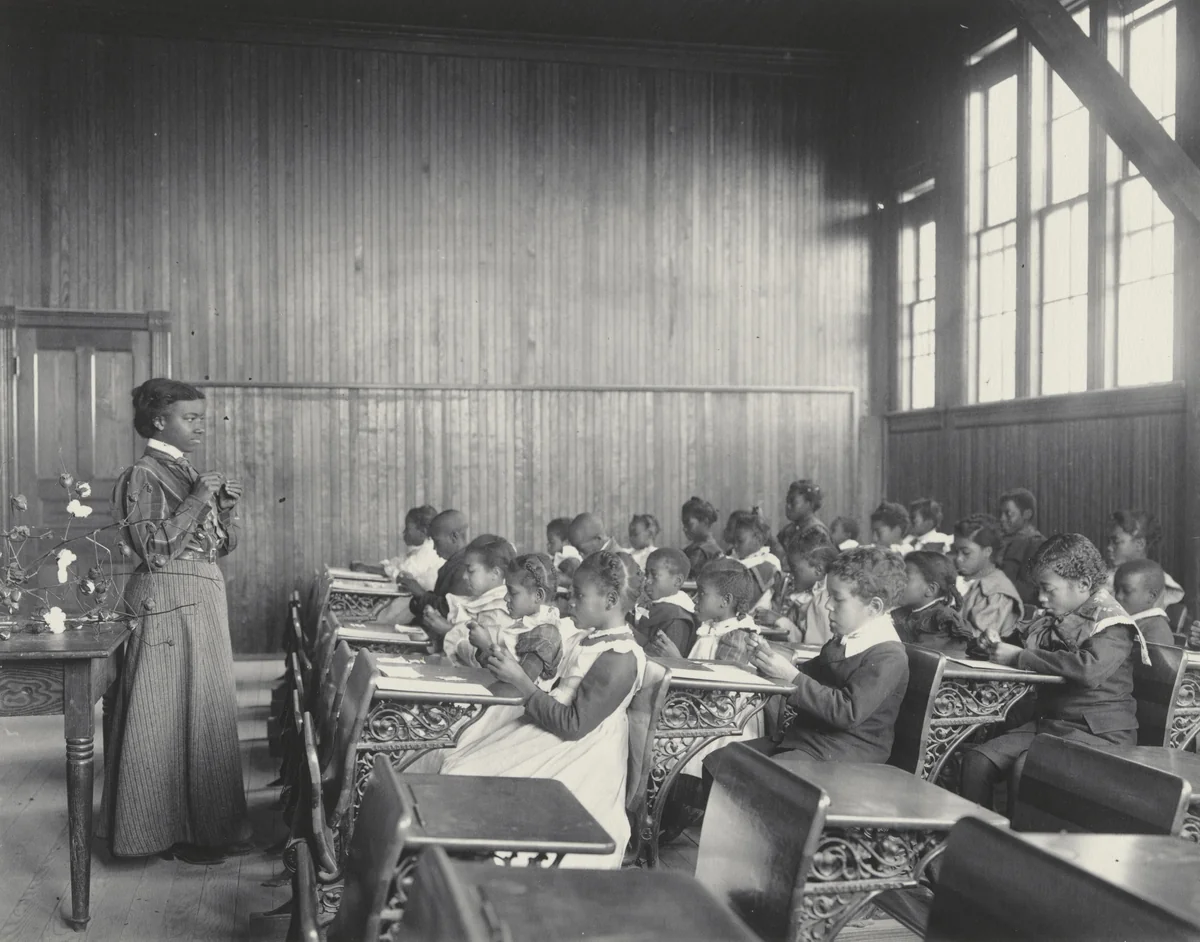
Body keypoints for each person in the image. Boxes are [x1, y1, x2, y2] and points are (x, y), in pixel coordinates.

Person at [100, 379, 250, 864]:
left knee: (203, 712)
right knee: (159, 715)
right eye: (191, 417)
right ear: (159, 421)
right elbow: (155, 550)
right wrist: (197, 499)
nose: (201, 425)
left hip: (201, 595)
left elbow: (220, 547)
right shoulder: (141, 474)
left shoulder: (189, 472)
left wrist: (223, 508)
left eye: (202, 417)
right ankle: (151, 833)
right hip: (166, 596)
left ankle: (202, 831)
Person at [441, 552, 646, 869]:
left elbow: (574, 725)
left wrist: (521, 681)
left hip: (579, 751)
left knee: (472, 780)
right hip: (550, 726)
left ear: (610, 600)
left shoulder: (621, 656)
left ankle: (469, 866)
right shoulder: (586, 637)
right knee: (461, 765)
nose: (571, 602)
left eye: (578, 595)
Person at [960, 534, 1148, 812]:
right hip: (1052, 726)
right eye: (1039, 589)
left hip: (1100, 734)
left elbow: (1088, 669)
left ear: (1083, 584)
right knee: (977, 761)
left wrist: (1019, 657)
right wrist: (992, 643)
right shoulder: (1058, 615)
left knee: (1027, 767)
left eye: (1048, 589)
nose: (1041, 598)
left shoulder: (1112, 622)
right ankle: (978, 844)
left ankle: (1021, 850)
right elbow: (1019, 645)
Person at [740, 546, 911, 762]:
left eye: (837, 599)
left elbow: (846, 711)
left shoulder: (889, 655)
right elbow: (807, 673)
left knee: (759, 773)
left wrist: (790, 675)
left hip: (849, 753)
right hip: (811, 741)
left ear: (874, 607)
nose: (827, 605)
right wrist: (769, 660)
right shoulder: (845, 638)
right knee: (723, 760)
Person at [1105, 509, 1189, 636]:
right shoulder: (1107, 575)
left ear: (1139, 544)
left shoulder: (1155, 583)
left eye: (1116, 542)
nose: (1109, 547)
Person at [438, 536, 518, 667]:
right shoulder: (483, 602)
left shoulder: (497, 612)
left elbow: (482, 663)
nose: (464, 576)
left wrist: (450, 633)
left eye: (471, 571)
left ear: (495, 573)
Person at [953, 513, 1023, 654]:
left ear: (987, 551)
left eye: (966, 553)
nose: (958, 559)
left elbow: (977, 641)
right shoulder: (962, 580)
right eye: (956, 551)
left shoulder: (996, 592)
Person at [755, 539, 838, 645]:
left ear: (818, 570)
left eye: (794, 568)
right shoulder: (806, 594)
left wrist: (780, 621)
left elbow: (812, 646)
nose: (789, 573)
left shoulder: (822, 603)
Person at [892, 551, 970, 652]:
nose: (897, 583)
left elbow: (921, 655)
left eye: (905, 579)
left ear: (930, 589)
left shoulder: (941, 620)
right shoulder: (906, 613)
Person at [406, 510, 471, 626]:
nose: (434, 548)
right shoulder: (452, 563)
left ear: (454, 537)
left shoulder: (465, 568)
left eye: (437, 542)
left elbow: (450, 611)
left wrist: (421, 594)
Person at [633, 548, 697, 654]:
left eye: (654, 575)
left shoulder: (676, 619)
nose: (647, 581)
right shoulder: (653, 606)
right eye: (646, 574)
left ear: (677, 581)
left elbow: (666, 661)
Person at [724, 509, 783, 613]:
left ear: (758, 540)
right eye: (734, 541)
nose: (735, 545)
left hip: (754, 619)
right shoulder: (735, 557)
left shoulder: (767, 563)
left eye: (740, 541)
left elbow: (746, 602)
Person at [997, 488, 1046, 606]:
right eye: (1001, 514)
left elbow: (1029, 591)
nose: (1002, 519)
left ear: (1027, 514)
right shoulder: (1001, 541)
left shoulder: (1036, 544)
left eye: (1008, 514)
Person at [1112, 559, 1177, 646]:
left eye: (1126, 591)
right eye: (1116, 590)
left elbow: (1156, 659)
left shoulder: (1155, 629)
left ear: (1151, 596)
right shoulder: (1121, 620)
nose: (1118, 596)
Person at [381, 504, 442, 592]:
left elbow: (403, 575)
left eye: (408, 529)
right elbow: (398, 563)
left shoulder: (429, 550)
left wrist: (368, 569)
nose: (404, 532)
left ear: (422, 532)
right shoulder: (417, 551)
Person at [777, 479, 831, 551]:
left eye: (793, 502)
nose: (788, 506)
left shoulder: (816, 532)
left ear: (809, 504)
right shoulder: (787, 530)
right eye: (787, 501)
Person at [681, 496, 724, 574]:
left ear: (705, 522)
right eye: (683, 524)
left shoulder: (703, 551)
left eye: (688, 523)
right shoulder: (692, 548)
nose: (684, 528)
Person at [547, 516, 582, 582]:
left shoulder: (571, 560)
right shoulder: (557, 558)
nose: (548, 545)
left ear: (566, 543)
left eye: (551, 542)